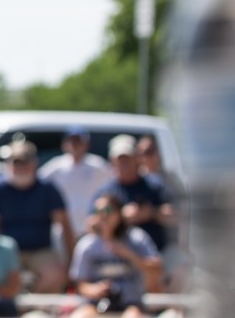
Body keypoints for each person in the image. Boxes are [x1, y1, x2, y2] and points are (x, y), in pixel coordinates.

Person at [0, 140, 75, 293]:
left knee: (56, 276)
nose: (19, 167)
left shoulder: (47, 188)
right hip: (5, 250)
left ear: (34, 163)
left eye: (24, 162)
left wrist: (71, 262)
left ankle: (33, 301)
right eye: (15, 162)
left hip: (40, 250)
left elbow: (65, 225)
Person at [93, 134, 175, 293]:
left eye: (127, 158)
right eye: (120, 159)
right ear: (112, 161)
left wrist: (150, 213)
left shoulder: (154, 185)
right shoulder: (106, 191)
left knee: (169, 270)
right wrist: (119, 217)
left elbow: (175, 214)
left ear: (136, 158)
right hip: (118, 255)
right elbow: (91, 222)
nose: (124, 163)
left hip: (155, 252)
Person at [69, 193, 162, 318]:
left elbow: (157, 269)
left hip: (129, 303)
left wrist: (129, 254)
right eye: (98, 211)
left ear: (119, 213)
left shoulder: (136, 239)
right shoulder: (87, 245)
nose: (103, 215)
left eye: (107, 210)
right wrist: (94, 289)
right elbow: (80, 285)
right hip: (96, 304)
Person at [38, 126, 114, 240]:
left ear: (86, 144)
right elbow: (38, 183)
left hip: (91, 228)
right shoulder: (56, 166)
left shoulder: (97, 165)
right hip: (63, 230)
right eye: (71, 141)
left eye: (78, 141)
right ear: (64, 144)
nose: (74, 145)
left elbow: (113, 186)